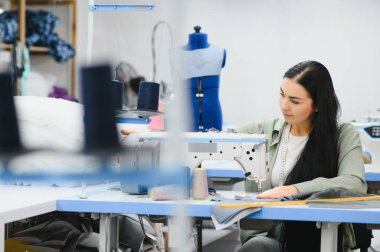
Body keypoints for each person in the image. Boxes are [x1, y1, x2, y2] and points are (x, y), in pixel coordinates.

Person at [237, 61, 367, 252]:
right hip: (272, 236)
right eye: (281, 94)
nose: (284, 106)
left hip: (322, 238)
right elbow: (214, 141)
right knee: (256, 246)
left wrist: (295, 189)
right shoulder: (263, 130)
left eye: (294, 101)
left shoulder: (342, 134)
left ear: (317, 105)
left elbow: (355, 182)